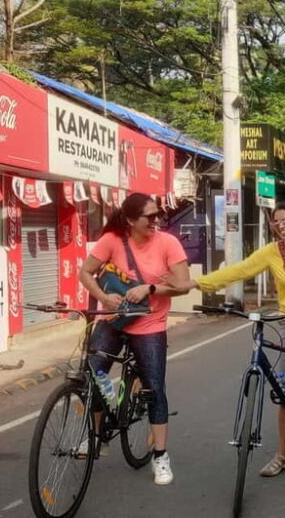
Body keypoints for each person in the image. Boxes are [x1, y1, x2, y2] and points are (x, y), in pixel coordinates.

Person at [165, 202, 285, 477]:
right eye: (276, 221)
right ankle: (283, 455)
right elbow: (239, 270)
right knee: (283, 389)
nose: (282, 226)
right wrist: (198, 283)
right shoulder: (272, 252)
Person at [79, 192, 190, 485]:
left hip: (150, 323)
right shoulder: (112, 240)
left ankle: (161, 456)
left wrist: (150, 289)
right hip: (115, 319)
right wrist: (103, 297)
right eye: (150, 216)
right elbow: (86, 272)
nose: (157, 221)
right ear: (130, 220)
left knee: (154, 387)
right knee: (94, 372)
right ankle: (96, 437)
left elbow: (183, 285)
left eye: (158, 215)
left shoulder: (168, 242)